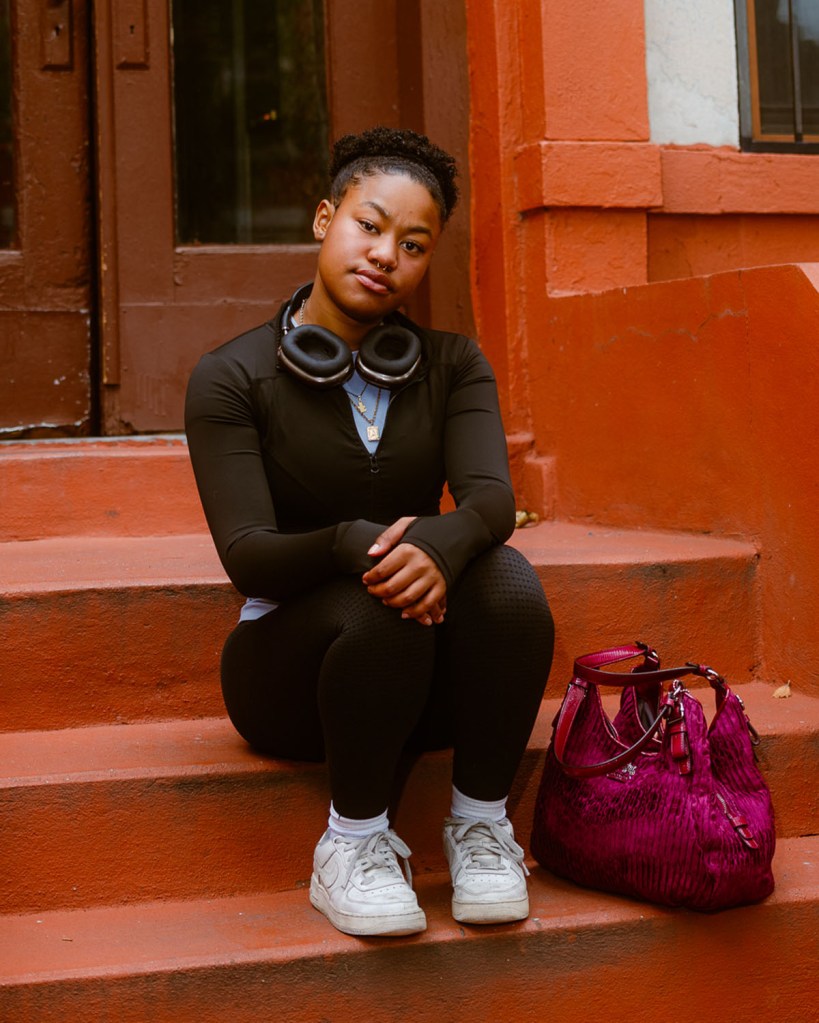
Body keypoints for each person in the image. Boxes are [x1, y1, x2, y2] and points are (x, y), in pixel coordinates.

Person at [185, 126, 555, 938]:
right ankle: (350, 843)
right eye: (370, 225)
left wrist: (439, 544)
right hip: (290, 672)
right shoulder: (231, 376)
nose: (387, 253)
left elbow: (491, 502)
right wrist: (362, 543)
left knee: (511, 583)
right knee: (381, 599)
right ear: (325, 219)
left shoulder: (453, 364)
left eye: (413, 243)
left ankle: (480, 824)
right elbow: (249, 555)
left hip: (421, 677)